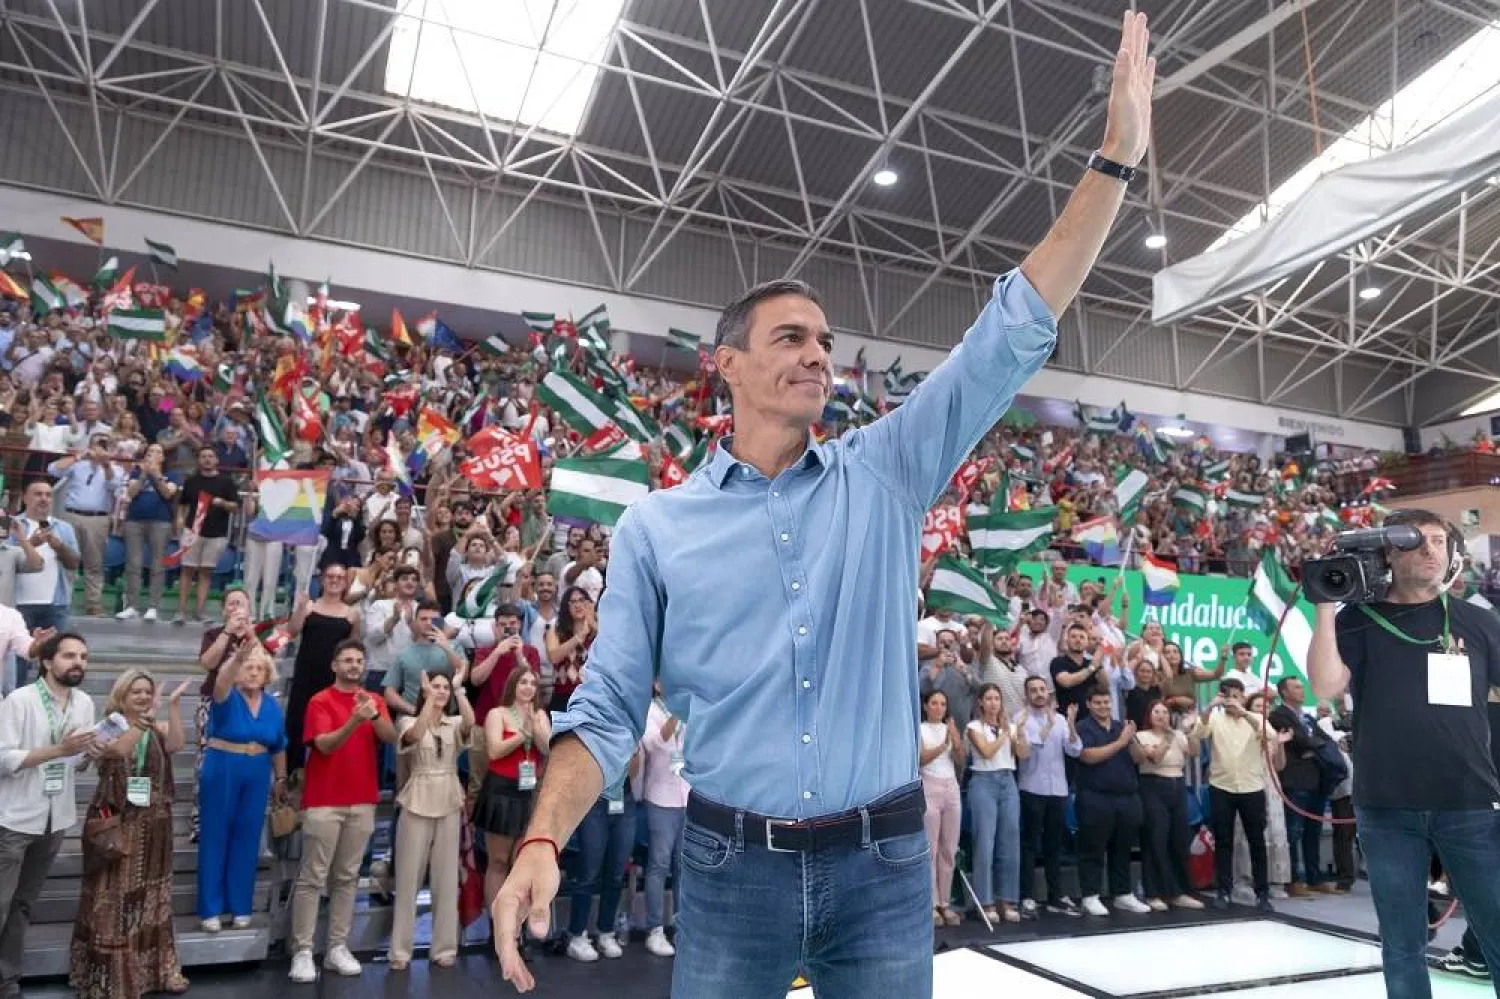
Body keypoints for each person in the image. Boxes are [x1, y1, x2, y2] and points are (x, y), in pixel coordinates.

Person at [494, 11, 1155, 994]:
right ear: (727, 366)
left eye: (825, 340)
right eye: (792, 337)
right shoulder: (657, 529)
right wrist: (545, 835)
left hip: (883, 868)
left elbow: (1010, 330)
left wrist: (1114, 162)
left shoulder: (884, 470)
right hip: (729, 870)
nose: (819, 354)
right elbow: (606, 708)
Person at [1310, 509, 1500, 997]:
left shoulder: (1478, 622)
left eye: (1440, 541)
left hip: (1469, 802)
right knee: (1402, 942)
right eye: (1418, 541)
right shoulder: (1357, 621)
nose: (1432, 550)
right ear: (1389, 552)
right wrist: (1327, 603)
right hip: (1388, 807)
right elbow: (1326, 684)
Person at [69, 671, 192, 998]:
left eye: (147, 692)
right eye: (135, 692)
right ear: (122, 695)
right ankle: (110, 979)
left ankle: (156, 972)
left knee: (152, 899)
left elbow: (178, 743)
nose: (141, 697)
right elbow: (117, 751)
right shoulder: (112, 725)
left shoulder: (154, 727)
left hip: (154, 825)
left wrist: (175, 707)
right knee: (115, 898)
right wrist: (144, 721)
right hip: (119, 823)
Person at [288, 639, 398, 983]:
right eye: (347, 660)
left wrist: (374, 713)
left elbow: (390, 736)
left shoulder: (374, 700)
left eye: (358, 660)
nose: (354, 665)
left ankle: (337, 946)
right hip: (324, 801)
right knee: (312, 878)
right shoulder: (319, 701)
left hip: (362, 799)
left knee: (347, 878)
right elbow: (324, 745)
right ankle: (303, 951)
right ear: (334, 665)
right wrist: (353, 720)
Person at [0, 632, 96, 995]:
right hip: (14, 819)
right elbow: (4, 759)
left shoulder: (84, 702)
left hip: (56, 817)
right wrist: (60, 749)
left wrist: (88, 754)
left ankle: (7, 978)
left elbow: (76, 763)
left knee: (23, 905)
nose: (78, 663)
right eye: (70, 656)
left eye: (84, 657)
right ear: (46, 661)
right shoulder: (19, 701)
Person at [197, 639, 287, 933]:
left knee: (248, 837)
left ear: (267, 674)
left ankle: (240, 906)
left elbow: (279, 745)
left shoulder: (273, 705)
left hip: (258, 770)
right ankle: (210, 908)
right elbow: (220, 683)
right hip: (223, 765)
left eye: (259, 668)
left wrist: (281, 778)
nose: (253, 672)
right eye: (248, 667)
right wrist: (237, 659)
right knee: (216, 834)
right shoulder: (227, 696)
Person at [389, 669, 474, 971]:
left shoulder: (454, 723)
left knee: (446, 879)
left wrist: (459, 688)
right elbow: (415, 735)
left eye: (443, 688)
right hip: (417, 799)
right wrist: (426, 700)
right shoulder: (407, 720)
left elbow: (471, 724)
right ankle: (400, 950)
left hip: (449, 798)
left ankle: (444, 947)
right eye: (435, 687)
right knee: (408, 878)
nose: (440, 692)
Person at [1194, 678, 1278, 913]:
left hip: (1252, 786)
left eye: (1238, 696)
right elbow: (1198, 732)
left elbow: (1269, 734)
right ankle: (1224, 890)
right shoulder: (1216, 718)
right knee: (1223, 841)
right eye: (1229, 696)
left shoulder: (1254, 719)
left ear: (1243, 697)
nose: (1233, 701)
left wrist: (1244, 712)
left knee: (1257, 842)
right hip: (1221, 786)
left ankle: (1262, 892)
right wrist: (1210, 707)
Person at [1073, 687, 1150, 917]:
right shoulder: (1082, 728)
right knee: (1093, 848)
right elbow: (1087, 756)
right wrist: (1120, 742)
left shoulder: (1120, 727)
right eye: (1098, 703)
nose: (1103, 706)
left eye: (1106, 702)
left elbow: (1139, 758)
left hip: (1126, 796)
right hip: (1096, 797)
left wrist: (1132, 739)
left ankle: (1123, 893)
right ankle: (1090, 895)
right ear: (1089, 704)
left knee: (1123, 848)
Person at [283, 569, 361, 773]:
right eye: (330, 576)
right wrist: (300, 608)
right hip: (306, 674)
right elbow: (291, 632)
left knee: (332, 725)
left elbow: (354, 648)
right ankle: (293, 775)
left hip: (334, 678)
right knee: (298, 724)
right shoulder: (309, 606)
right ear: (322, 580)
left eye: (339, 577)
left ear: (345, 583)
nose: (334, 580)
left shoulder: (352, 614)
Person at [965, 683, 1027, 924]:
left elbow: (1023, 754)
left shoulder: (1009, 728)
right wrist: (1004, 733)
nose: (993, 703)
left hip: (1007, 780)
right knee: (985, 842)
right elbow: (987, 751)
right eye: (989, 698)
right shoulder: (973, 727)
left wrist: (1019, 734)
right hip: (984, 781)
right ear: (981, 702)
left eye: (997, 699)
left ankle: (1007, 898)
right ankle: (985, 899)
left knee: (1010, 840)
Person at [1134, 700, 1204, 912]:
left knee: (1178, 839)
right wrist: (1169, 737)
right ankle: (1153, 892)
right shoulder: (1143, 735)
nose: (1162, 716)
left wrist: (1190, 731)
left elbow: (1194, 751)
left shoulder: (1177, 734)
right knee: (1156, 838)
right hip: (1153, 785)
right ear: (1150, 714)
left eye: (1165, 712)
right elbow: (1154, 757)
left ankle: (1180, 891)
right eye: (1157, 711)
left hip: (1177, 784)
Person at [638, 682, 689, 958]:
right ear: (656, 684)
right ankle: (655, 929)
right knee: (659, 865)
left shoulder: (687, 708)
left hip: (687, 796)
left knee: (685, 867)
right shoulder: (649, 710)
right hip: (660, 797)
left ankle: (683, 928)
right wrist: (677, 715)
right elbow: (656, 743)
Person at [175, 445, 241, 624]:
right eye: (203, 456)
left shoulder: (226, 482)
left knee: (206, 573)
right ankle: (180, 612)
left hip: (216, 533)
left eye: (211, 456)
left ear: (216, 460)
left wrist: (223, 503)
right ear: (199, 460)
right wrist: (180, 519)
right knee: (187, 570)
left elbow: (236, 506)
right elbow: (182, 504)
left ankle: (199, 612)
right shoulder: (192, 481)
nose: (207, 459)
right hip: (192, 531)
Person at [918, 689, 964, 926]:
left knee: (949, 848)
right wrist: (942, 746)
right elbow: (920, 759)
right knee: (931, 849)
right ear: (926, 706)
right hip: (929, 785)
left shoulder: (950, 729)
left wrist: (955, 743)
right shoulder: (920, 728)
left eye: (943, 704)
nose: (939, 707)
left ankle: (945, 901)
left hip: (951, 786)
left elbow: (961, 761)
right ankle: (931, 903)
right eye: (934, 703)